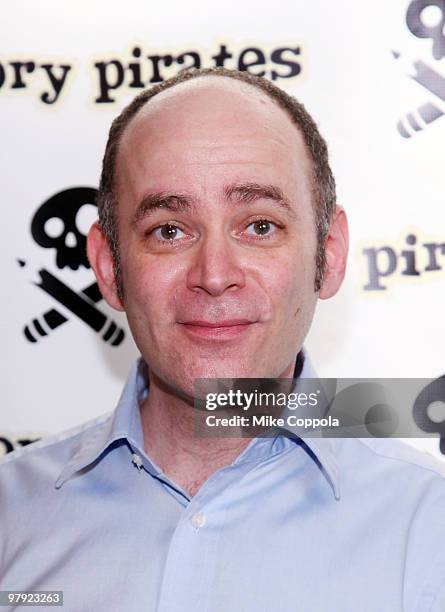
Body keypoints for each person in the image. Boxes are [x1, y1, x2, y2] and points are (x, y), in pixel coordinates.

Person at [1, 67, 444, 612]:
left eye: (259, 226)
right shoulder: (8, 516)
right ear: (109, 268)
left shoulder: (431, 524)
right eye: (169, 230)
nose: (214, 274)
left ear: (327, 255)